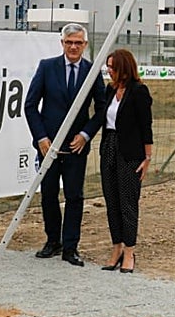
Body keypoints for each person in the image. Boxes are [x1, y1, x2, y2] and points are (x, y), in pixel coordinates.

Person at [24, 24, 107, 267]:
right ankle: (53, 241)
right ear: (62, 43)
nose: (73, 47)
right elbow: (30, 105)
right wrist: (41, 137)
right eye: (69, 42)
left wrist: (86, 134)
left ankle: (70, 247)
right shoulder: (47, 67)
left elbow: (101, 109)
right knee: (48, 194)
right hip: (48, 147)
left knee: (74, 196)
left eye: (78, 43)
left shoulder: (92, 72)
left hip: (76, 148)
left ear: (85, 45)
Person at [98, 48, 153, 274]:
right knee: (112, 202)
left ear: (124, 67)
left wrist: (147, 157)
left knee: (128, 203)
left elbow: (145, 126)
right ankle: (116, 248)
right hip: (109, 147)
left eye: (113, 67)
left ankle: (129, 251)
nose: (110, 71)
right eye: (108, 67)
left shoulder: (139, 91)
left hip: (130, 152)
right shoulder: (109, 90)